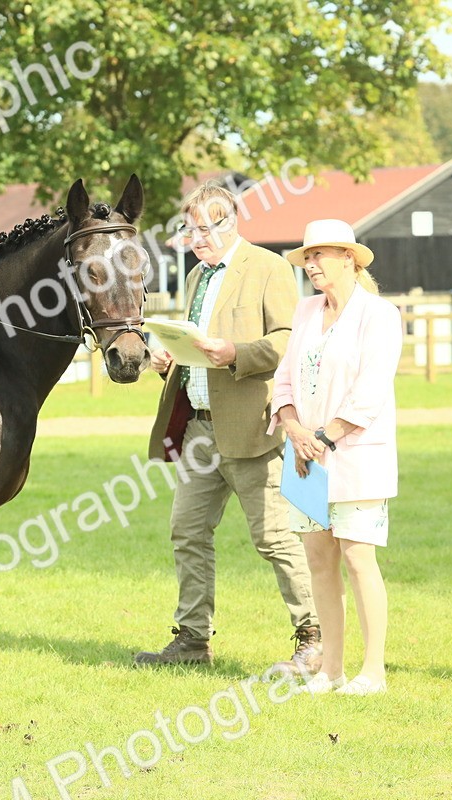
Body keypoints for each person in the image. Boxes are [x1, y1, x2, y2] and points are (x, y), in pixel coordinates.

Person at [137, 181, 321, 673]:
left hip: (252, 429)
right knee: (187, 532)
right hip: (198, 429)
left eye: (202, 228)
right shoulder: (197, 277)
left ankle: (314, 638)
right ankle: (193, 640)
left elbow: (287, 342)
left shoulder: (270, 268)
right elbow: (200, 345)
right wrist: (170, 357)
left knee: (275, 539)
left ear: (229, 222)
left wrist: (236, 353)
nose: (194, 238)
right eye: (188, 229)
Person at [271, 219, 401, 696]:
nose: (311, 264)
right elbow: (283, 380)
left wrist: (323, 438)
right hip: (304, 457)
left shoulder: (379, 315)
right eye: (307, 256)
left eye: (320, 255)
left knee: (357, 558)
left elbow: (371, 390)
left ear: (349, 258)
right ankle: (331, 669)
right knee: (318, 561)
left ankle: (373, 672)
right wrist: (293, 428)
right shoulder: (305, 311)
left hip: (353, 456)